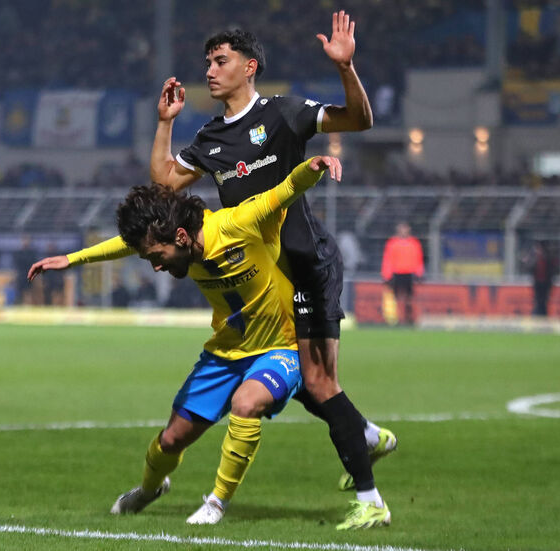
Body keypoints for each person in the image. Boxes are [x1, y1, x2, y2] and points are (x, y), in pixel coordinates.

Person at [30, 157, 389, 530]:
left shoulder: (235, 225)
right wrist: (71, 259)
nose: (156, 266)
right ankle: (149, 489)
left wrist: (312, 166)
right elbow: (126, 245)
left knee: (246, 404)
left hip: (281, 347)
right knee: (171, 440)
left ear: (181, 237)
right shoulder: (171, 242)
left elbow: (284, 192)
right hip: (224, 353)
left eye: (157, 258)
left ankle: (216, 503)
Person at [148, 14, 396, 523]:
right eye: (207, 62)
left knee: (318, 381)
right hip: (269, 277)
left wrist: (346, 67)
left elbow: (358, 120)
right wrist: (166, 121)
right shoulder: (212, 137)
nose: (210, 71)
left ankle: (371, 502)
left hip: (307, 263)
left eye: (221, 61)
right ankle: (365, 435)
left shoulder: (284, 113)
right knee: (296, 378)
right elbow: (165, 183)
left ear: (249, 67)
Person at [380, 222, 425, 325]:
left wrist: (419, 273)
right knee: (397, 297)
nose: (403, 231)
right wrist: (386, 274)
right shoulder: (392, 243)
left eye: (405, 229)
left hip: (410, 273)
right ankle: (398, 318)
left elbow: (418, 259)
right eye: (401, 229)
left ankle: (409, 318)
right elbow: (388, 259)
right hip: (396, 273)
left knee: (409, 298)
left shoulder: (414, 243)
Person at [522, 240, 560, 316]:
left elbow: (553, 268)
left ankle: (543, 313)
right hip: (537, 281)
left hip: (546, 282)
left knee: (544, 299)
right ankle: (538, 313)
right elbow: (529, 267)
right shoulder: (534, 257)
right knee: (537, 299)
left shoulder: (547, 256)